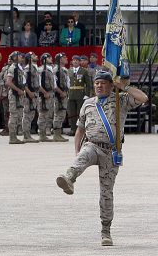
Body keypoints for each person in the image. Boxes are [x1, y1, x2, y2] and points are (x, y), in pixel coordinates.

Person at [55, 72, 148, 246]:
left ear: (111, 85)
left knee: (106, 192)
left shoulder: (121, 100)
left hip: (111, 152)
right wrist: (77, 150)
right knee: (83, 156)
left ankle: (106, 231)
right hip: (92, 145)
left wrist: (124, 87)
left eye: (103, 83)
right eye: (97, 83)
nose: (99, 86)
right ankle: (68, 178)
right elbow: (80, 130)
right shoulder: (88, 104)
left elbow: (143, 98)